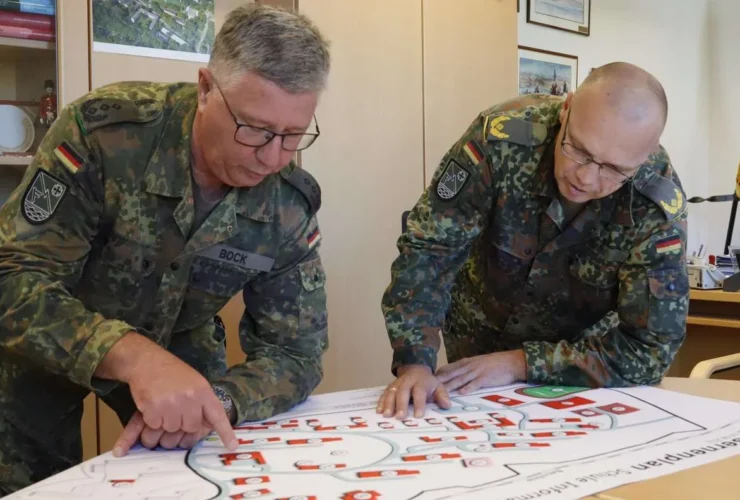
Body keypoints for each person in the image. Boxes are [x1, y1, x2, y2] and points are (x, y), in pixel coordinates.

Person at [0, 4, 330, 495]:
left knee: (198, 478)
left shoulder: (287, 202)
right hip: (50, 333)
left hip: (181, 340)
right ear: (205, 89)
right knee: (28, 481)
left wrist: (221, 400)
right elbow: (13, 278)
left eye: (292, 136)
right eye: (255, 130)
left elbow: (296, 353)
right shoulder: (104, 135)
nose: (272, 156)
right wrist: (133, 357)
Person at [377, 62, 689, 420]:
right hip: (476, 339)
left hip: (582, 369)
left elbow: (650, 349)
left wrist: (522, 363)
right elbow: (430, 249)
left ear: (645, 157)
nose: (587, 178)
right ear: (566, 109)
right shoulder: (501, 140)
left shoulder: (655, 203)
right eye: (579, 150)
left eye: (614, 169)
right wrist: (415, 362)